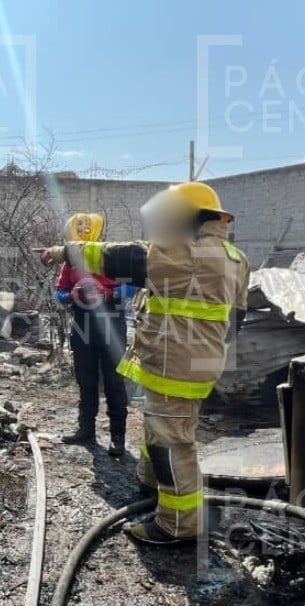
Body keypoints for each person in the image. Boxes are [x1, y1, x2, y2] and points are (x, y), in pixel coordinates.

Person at [38, 182, 250, 546]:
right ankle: (152, 485)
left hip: (176, 365)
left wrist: (65, 251)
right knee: (161, 429)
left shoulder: (189, 253)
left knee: (172, 443)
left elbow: (123, 257)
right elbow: (236, 320)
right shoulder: (234, 257)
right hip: (192, 362)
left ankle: (178, 523)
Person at [53, 213, 129, 455]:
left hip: (111, 323)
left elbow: (132, 286)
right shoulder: (70, 262)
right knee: (86, 381)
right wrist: (72, 295)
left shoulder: (114, 257)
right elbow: (59, 293)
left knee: (114, 382)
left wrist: (109, 294)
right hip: (82, 323)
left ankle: (118, 438)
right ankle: (86, 431)